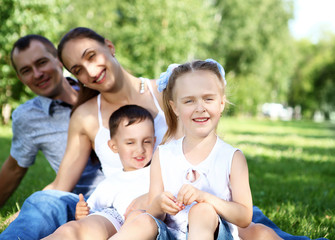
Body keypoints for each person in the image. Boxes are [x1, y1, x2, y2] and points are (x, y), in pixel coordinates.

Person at [1, 28, 281, 240]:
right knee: (41, 202)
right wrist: (23, 212)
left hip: (188, 198)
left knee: (254, 225)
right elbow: (62, 185)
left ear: (109, 47)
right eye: (78, 70)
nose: (89, 70)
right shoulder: (86, 115)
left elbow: (202, 144)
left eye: (92, 56)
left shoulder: (165, 91)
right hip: (129, 208)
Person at [0, 35, 104, 206]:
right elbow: (14, 168)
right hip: (86, 205)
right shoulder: (28, 117)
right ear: (20, 78)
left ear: (58, 60)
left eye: (41, 62)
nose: (37, 74)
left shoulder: (95, 86)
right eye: (26, 70)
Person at [43, 104, 156, 240]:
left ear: (154, 141)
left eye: (147, 141)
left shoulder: (159, 170)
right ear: (114, 146)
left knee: (137, 218)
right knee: (71, 229)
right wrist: (82, 212)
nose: (140, 149)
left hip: (147, 224)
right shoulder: (111, 183)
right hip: (116, 220)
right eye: (130, 143)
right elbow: (90, 210)